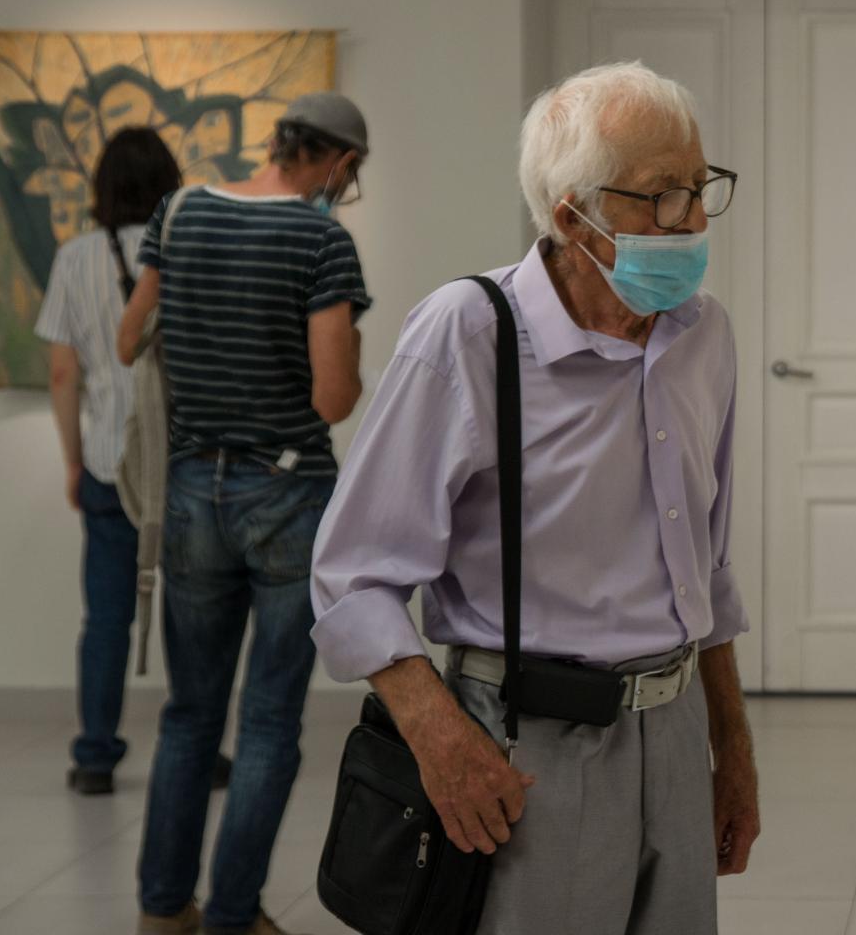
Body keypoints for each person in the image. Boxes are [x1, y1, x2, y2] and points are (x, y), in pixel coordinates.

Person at [310, 61, 761, 935]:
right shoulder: (469, 333)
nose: (695, 220)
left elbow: (709, 566)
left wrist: (731, 748)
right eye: (663, 196)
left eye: (701, 187)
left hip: (674, 731)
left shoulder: (703, 335)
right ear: (572, 216)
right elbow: (353, 576)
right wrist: (439, 740)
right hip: (527, 744)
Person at [117, 93, 371, 935]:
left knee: (189, 714)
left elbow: (127, 340)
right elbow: (332, 399)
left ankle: (163, 911)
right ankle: (231, 917)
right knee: (266, 721)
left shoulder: (179, 211)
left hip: (192, 487)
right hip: (287, 493)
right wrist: (349, 350)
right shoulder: (320, 239)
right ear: (339, 162)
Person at [38, 127, 204, 796]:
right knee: (195, 614)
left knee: (106, 617)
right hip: (186, 461)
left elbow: (62, 373)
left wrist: (73, 464)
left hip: (109, 461)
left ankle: (94, 757)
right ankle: (194, 751)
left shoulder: (75, 258)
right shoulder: (189, 248)